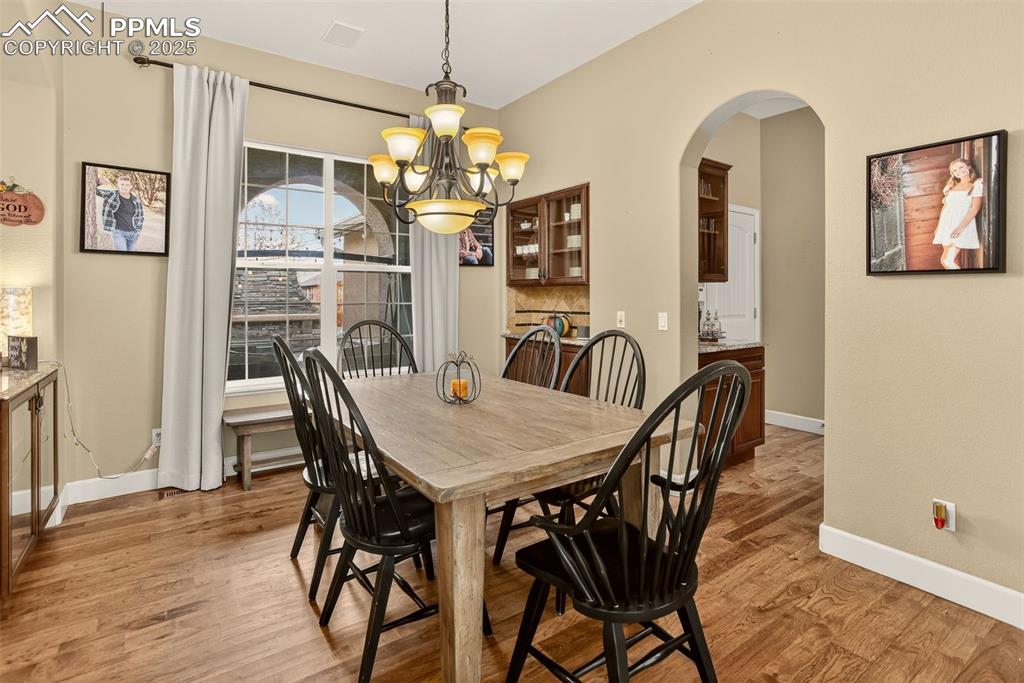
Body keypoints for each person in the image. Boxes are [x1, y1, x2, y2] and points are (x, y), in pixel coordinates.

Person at [932, 158, 983, 270]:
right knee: (945, 260)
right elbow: (945, 207)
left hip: (960, 224)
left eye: (961, 167)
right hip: (947, 225)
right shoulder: (951, 186)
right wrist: (939, 227)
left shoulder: (976, 184)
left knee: (947, 261)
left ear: (968, 166)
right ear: (953, 174)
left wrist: (960, 228)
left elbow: (975, 209)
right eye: (955, 170)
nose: (959, 171)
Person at [96, 175, 145, 251]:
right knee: (121, 255)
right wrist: (98, 181)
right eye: (122, 184)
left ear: (131, 186)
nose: (124, 187)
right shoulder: (112, 195)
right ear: (118, 185)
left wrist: (138, 230)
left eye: (127, 185)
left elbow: (140, 215)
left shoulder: (136, 200)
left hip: (134, 234)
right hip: (119, 233)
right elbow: (92, 189)